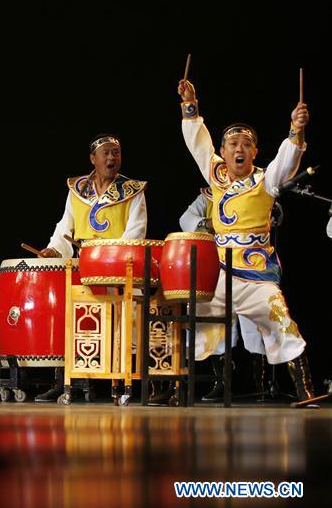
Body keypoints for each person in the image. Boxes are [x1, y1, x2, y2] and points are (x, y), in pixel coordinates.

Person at [178, 76, 317, 405]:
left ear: (255, 151)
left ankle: (305, 390)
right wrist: (190, 106)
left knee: (281, 319)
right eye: (232, 145)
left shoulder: (265, 181)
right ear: (223, 152)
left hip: (256, 277)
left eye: (245, 145)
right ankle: (180, 389)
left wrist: (296, 131)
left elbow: (287, 162)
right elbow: (199, 145)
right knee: (193, 319)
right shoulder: (217, 176)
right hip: (220, 273)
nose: (238, 149)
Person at [37, 134, 148, 403]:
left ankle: (120, 382)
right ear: (93, 159)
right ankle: (64, 380)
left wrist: (109, 255)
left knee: (121, 324)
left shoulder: (132, 190)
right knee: (68, 320)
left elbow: (136, 231)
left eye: (116, 153)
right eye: (106, 153)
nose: (112, 158)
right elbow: (65, 227)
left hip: (118, 267)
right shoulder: (77, 190)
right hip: (82, 267)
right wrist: (53, 249)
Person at [174, 187, 269, 404]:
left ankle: (258, 384)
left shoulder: (253, 190)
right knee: (213, 325)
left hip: (248, 265)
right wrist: (209, 224)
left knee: (254, 323)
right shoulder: (209, 195)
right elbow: (185, 219)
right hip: (217, 266)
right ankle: (222, 382)